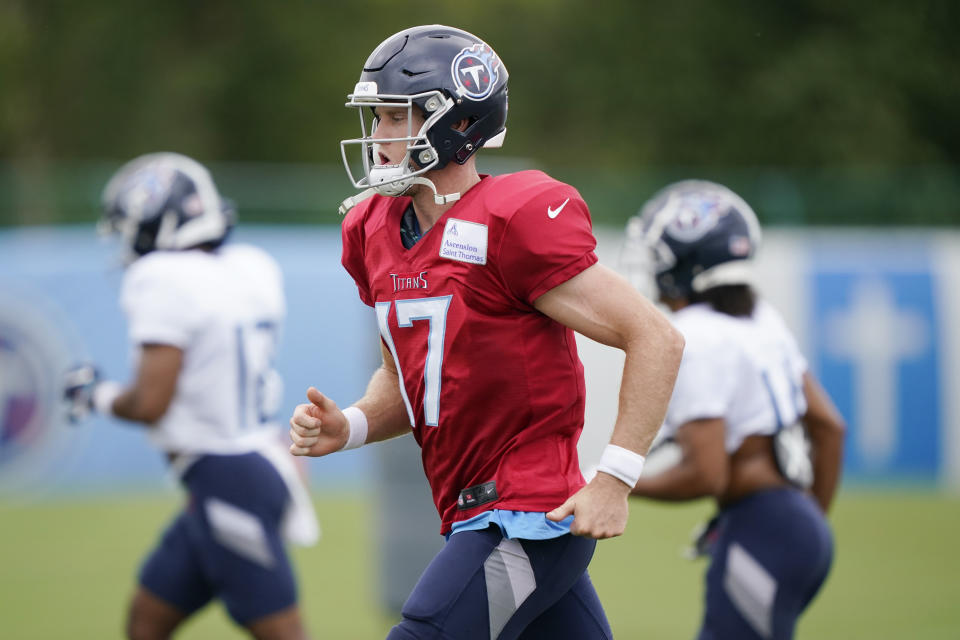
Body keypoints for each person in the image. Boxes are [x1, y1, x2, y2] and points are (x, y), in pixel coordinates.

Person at [288, 25, 685, 640]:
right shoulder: (373, 229)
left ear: (455, 123)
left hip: (526, 514)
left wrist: (615, 478)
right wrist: (354, 425)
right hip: (471, 510)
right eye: (377, 117)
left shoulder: (516, 218)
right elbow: (413, 378)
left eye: (394, 117)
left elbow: (655, 337)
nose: (377, 136)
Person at [63, 152, 319, 640]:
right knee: (146, 621)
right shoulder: (250, 267)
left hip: (228, 481)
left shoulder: (163, 278)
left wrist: (95, 395)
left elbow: (150, 403)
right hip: (249, 462)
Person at [623, 180, 846, 640]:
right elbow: (829, 427)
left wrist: (616, 484)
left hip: (762, 527)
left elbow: (708, 475)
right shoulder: (761, 318)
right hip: (800, 530)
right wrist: (805, 526)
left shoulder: (694, 336)